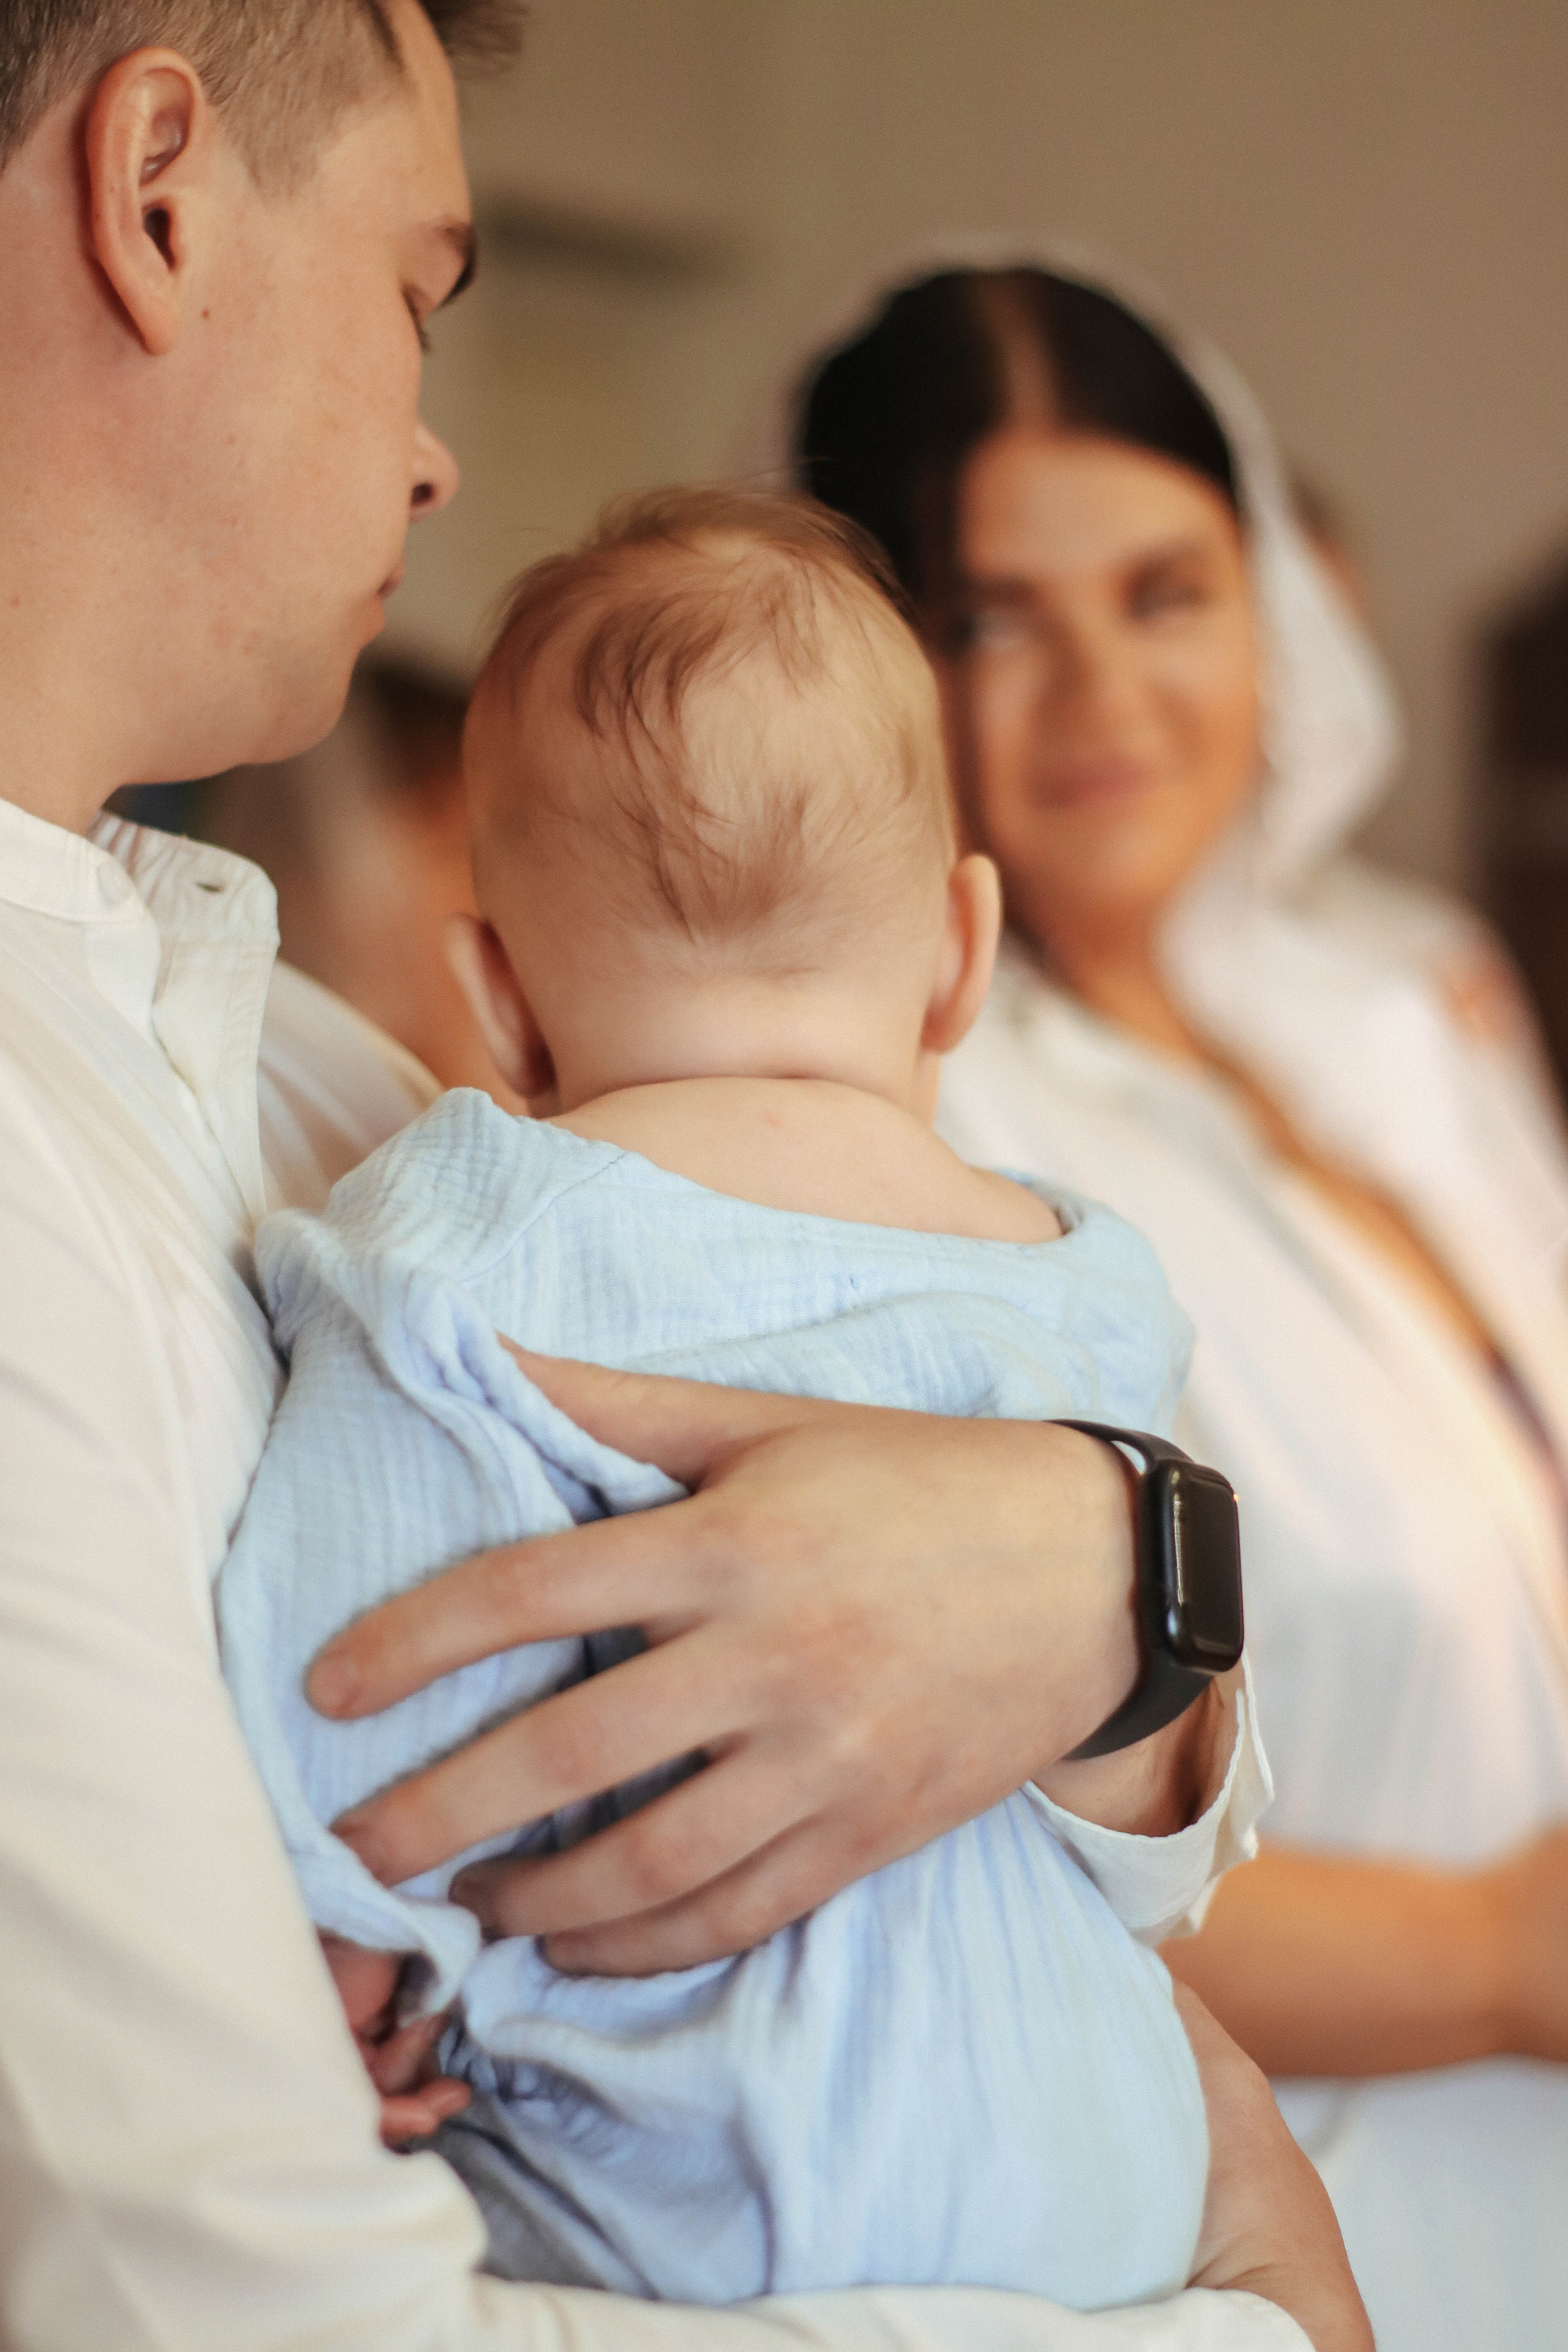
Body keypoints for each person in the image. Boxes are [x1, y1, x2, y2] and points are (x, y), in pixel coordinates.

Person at [0, 12, 1355, 2350]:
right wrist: (1250, 2316)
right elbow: (243, 2313)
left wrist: (1116, 1563)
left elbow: (1156, 1783)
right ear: (156, 194)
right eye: (421, 292)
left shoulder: (329, 1085)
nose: (436, 452)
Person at [217, 484, 1256, 2312]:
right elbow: (1165, 1791)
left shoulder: (463, 1228)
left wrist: (358, 1933)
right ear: (962, 950)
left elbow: (360, 1629)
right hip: (1098, 2186)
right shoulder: (1092, 1275)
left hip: (686, 2189)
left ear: (498, 997)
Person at [775, 245, 1568, 2352]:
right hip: (1310, 2228)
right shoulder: (899, 1141)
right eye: (990, 620)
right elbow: (941, 1851)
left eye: (1165, 594)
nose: (1106, 697)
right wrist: (1502, 1955)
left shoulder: (1392, 1021)